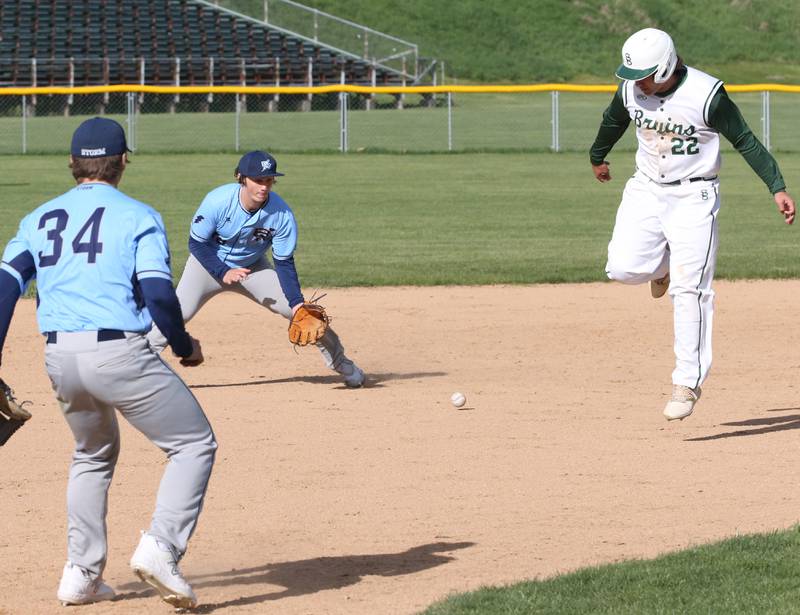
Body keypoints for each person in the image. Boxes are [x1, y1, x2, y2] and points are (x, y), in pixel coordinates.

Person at [0, 117, 216, 608]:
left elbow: (3, 291)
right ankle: (162, 546)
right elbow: (159, 295)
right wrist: (184, 346)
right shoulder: (138, 215)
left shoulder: (37, 219)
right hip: (119, 353)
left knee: (92, 454)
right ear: (122, 162)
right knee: (193, 444)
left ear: (73, 164)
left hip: (59, 358)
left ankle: (81, 574)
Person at [589, 28, 796, 421]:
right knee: (622, 268)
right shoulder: (632, 90)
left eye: (645, 75)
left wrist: (776, 186)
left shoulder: (706, 96)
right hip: (646, 189)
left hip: (694, 197)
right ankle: (661, 267)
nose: (637, 84)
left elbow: (746, 140)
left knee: (691, 290)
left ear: (666, 66)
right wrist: (598, 156)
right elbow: (613, 120)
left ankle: (687, 382)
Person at [146, 150, 365, 387]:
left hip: (252, 269)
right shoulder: (217, 201)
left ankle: (342, 363)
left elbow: (284, 262)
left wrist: (295, 300)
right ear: (241, 178)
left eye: (269, 180)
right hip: (206, 266)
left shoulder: (281, 214)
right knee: (176, 315)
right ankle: (139, 370)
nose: (264, 186)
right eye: (258, 180)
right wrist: (222, 271)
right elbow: (197, 244)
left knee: (304, 315)